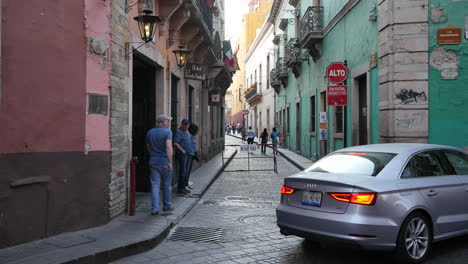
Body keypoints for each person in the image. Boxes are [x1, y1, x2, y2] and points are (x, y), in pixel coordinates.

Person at [146, 114, 175, 215]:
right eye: (167, 121)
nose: (168, 122)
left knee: (155, 186)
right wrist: (170, 162)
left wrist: (154, 155)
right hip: (164, 162)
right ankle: (167, 206)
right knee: (166, 185)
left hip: (153, 162)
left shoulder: (150, 132)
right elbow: (168, 147)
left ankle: (154, 209)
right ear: (163, 122)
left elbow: (148, 148)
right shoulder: (168, 132)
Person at [174, 119, 192, 195]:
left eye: (187, 124)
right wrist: (182, 150)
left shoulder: (188, 132)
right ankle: (180, 188)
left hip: (189, 154)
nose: (186, 126)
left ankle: (184, 186)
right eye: (184, 124)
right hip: (183, 154)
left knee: (186, 171)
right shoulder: (179, 132)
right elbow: (175, 143)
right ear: (181, 124)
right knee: (183, 171)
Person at [186, 123, 199, 189]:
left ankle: (186, 182)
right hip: (188, 155)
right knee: (187, 169)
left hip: (191, 154)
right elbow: (189, 146)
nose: (197, 131)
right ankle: (185, 184)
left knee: (188, 169)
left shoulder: (192, 135)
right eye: (196, 130)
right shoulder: (188, 135)